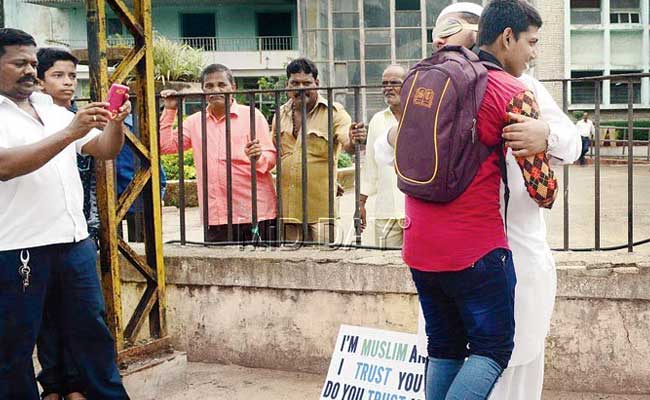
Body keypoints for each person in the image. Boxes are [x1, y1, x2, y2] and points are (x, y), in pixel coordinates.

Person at [386, 1, 550, 398]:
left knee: (444, 347)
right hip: (475, 251)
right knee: (492, 349)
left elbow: (395, 141)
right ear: (507, 37)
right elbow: (543, 191)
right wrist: (543, 135)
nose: (533, 53)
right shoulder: (514, 91)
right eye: (531, 42)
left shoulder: (424, 80)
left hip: (419, 246)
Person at [0, 28, 130, 399]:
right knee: (15, 345)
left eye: (31, 62)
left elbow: (102, 149)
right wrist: (70, 131)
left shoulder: (50, 110)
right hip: (18, 248)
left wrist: (116, 124)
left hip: (74, 243)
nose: (29, 70)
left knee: (92, 332)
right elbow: (5, 166)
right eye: (18, 63)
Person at [159, 63, 277, 242]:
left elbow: (271, 158)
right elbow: (164, 146)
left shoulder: (252, 115)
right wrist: (170, 109)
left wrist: (258, 157)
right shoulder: (195, 122)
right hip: (217, 215)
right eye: (209, 86)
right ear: (203, 90)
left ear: (233, 88)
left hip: (256, 212)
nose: (216, 90)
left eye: (222, 85)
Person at [35, 46, 88, 400]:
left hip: (76, 231)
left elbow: (103, 152)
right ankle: (53, 384)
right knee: (43, 320)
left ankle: (75, 384)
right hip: (30, 237)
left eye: (72, 75)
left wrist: (113, 122)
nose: (68, 82)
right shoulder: (22, 117)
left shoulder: (72, 117)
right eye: (58, 75)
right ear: (39, 81)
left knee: (82, 317)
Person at [272, 58, 366, 243]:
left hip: (321, 212)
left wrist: (354, 139)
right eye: (295, 83)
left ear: (317, 83)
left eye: (306, 83)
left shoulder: (334, 112)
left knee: (326, 264)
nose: (301, 88)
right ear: (287, 85)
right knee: (292, 263)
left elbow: (347, 142)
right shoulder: (280, 114)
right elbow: (276, 153)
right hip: (289, 211)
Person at [359, 64, 406, 248]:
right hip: (385, 211)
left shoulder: (420, 116)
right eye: (384, 83)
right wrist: (361, 203)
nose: (388, 88)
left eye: (394, 83)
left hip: (414, 211)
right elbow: (371, 166)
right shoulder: (378, 120)